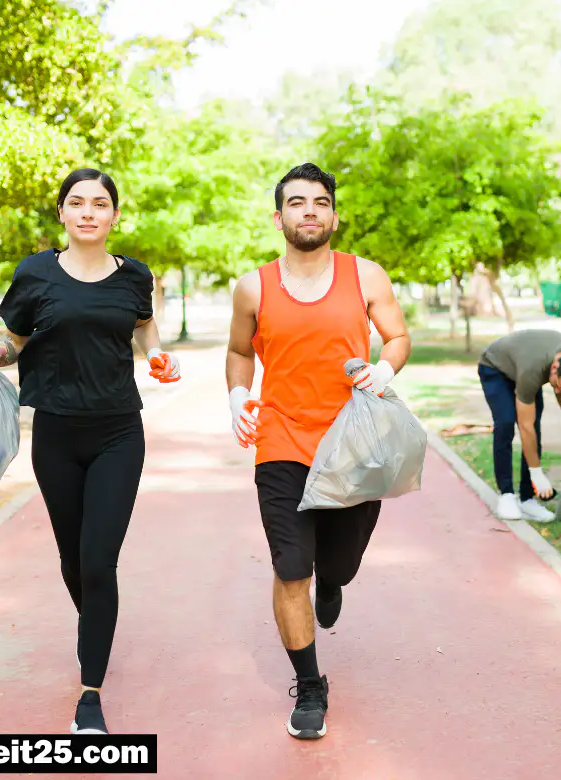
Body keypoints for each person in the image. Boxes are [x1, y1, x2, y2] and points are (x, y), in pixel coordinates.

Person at [0, 169, 181, 735]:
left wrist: (158, 355)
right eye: (76, 203)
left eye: (99, 204)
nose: (87, 212)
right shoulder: (35, 273)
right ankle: (96, 620)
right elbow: (15, 340)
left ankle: (90, 695)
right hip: (55, 434)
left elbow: (145, 326)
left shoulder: (135, 276)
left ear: (114, 216)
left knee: (99, 561)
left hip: (118, 434)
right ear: (61, 212)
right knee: (74, 561)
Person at [225, 163, 411, 740]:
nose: (310, 210)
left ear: (333, 215)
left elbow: (397, 337)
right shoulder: (253, 287)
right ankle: (309, 686)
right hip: (281, 442)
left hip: (353, 444)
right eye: (298, 202)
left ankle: (332, 582)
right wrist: (237, 397)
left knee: (339, 565)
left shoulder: (366, 276)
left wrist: (384, 369)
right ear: (278, 216)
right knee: (290, 569)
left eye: (321, 202)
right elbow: (239, 352)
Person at [477, 330, 561, 522]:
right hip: (495, 367)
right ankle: (506, 495)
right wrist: (537, 473)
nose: (557, 391)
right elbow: (525, 426)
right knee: (506, 423)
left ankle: (527, 499)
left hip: (523, 365)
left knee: (535, 429)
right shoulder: (532, 369)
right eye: (556, 385)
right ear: (554, 368)